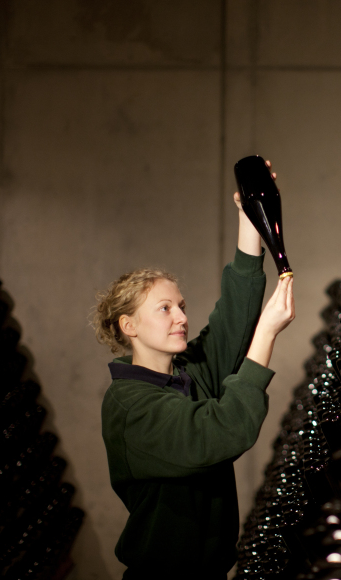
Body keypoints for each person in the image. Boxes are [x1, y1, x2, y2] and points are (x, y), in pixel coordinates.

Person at [93, 166, 295, 579]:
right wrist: (268, 332)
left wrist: (248, 217)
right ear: (128, 327)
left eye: (181, 305)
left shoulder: (186, 374)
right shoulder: (131, 406)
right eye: (164, 309)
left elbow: (231, 319)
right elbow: (222, 431)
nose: (181, 317)